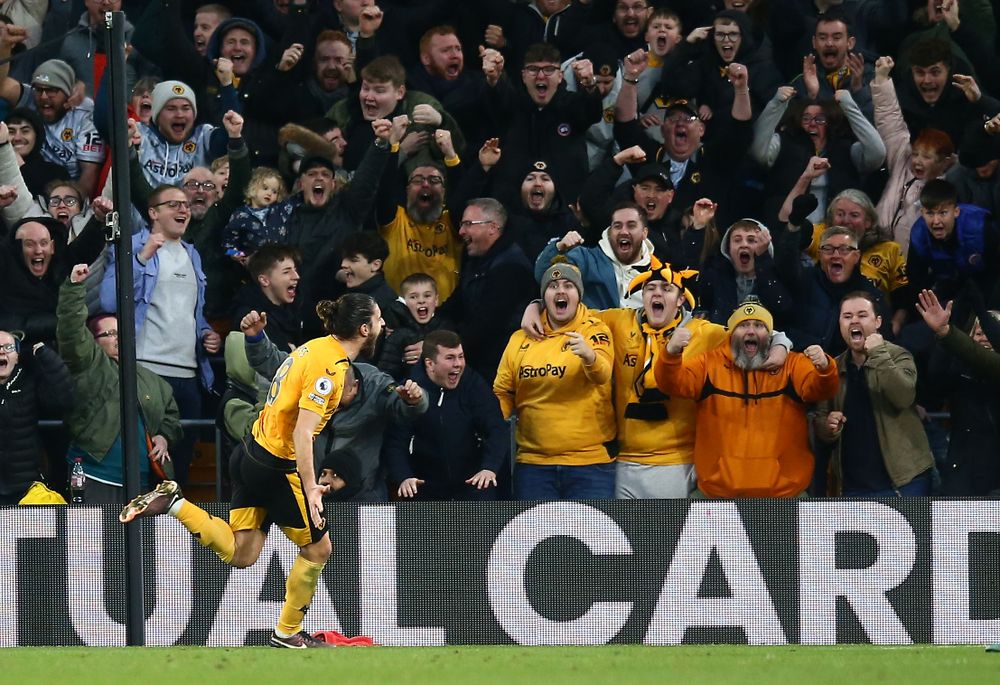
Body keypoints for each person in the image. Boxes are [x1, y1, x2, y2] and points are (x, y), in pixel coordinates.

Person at [120, 293, 385, 649]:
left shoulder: (314, 348)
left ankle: (173, 503)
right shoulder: (331, 368)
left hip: (250, 453)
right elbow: (302, 432)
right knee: (319, 550)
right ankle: (287, 633)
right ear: (364, 328)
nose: (384, 325)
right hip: (277, 465)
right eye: (380, 319)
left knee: (242, 554)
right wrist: (310, 487)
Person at [100, 184, 221, 486]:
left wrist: (206, 333)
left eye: (185, 205)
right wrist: (141, 259)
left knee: (179, 467)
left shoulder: (192, 255)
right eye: (173, 205)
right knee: (149, 466)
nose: (184, 209)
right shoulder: (133, 246)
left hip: (190, 375)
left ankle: (173, 532)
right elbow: (109, 301)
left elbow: (189, 311)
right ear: (153, 213)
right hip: (148, 371)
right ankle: (140, 530)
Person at [241, 308, 429, 503]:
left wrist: (415, 399)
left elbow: (403, 408)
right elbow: (277, 364)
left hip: (365, 496)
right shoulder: (318, 370)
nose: (330, 399)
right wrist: (256, 339)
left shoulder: (376, 384)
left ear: (354, 387)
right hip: (313, 490)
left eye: (338, 392)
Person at [656, 299, 839, 498]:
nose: (751, 331)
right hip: (716, 496)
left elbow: (820, 390)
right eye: (743, 325)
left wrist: (825, 367)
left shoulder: (792, 365)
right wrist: (670, 355)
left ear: (770, 335)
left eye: (759, 326)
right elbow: (673, 384)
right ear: (731, 333)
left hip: (786, 496)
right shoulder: (709, 364)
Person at [57, 264, 181, 504]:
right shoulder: (90, 365)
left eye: (120, 332)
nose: (117, 338)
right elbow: (71, 332)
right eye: (109, 334)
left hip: (144, 483)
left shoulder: (150, 379)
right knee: (92, 542)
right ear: (93, 342)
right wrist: (73, 289)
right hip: (95, 477)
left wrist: (164, 436)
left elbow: (171, 417)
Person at [494, 262, 617, 500]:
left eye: (568, 285)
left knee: (594, 538)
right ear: (543, 297)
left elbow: (603, 374)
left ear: (579, 295)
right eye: (552, 286)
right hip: (533, 466)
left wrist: (589, 356)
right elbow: (503, 392)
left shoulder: (594, 330)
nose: (560, 291)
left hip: (590, 464)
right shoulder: (520, 338)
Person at [814, 292, 934, 496]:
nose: (854, 320)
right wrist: (828, 427)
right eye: (847, 316)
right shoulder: (833, 366)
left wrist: (878, 354)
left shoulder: (899, 355)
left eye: (862, 315)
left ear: (878, 321)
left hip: (904, 481)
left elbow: (903, 396)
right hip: (853, 486)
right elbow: (820, 420)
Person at [384, 330, 508, 501]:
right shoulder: (410, 390)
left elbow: (497, 428)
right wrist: (403, 477)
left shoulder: (473, 384)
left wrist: (489, 467)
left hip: (472, 484)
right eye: (450, 358)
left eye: (461, 356)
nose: (458, 364)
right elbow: (395, 441)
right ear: (430, 363)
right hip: (424, 488)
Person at [438, 197, 535, 382]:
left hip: (497, 372)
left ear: (492, 227)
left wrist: (441, 350)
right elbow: (454, 306)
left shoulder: (512, 267)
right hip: (475, 361)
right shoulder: (477, 260)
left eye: (468, 224)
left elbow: (484, 327)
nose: (461, 231)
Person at [0, 54, 105, 197]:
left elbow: (90, 173)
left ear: (68, 92)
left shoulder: (84, 114)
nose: (43, 96)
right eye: (39, 89)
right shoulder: (30, 98)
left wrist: (73, 208)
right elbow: (2, 84)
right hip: (27, 182)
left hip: (69, 189)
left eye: (52, 90)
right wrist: (5, 45)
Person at [535, 201, 655, 310]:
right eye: (617, 226)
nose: (623, 231)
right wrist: (558, 248)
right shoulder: (586, 259)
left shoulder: (659, 273)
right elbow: (544, 274)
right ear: (610, 231)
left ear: (644, 233)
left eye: (631, 225)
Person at [0, 329, 73, 505]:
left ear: (17, 356)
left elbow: (63, 400)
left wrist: (46, 356)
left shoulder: (28, 380)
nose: (1, 351)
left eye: (8, 347)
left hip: (24, 488)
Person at [231, 244, 304, 353]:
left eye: (295, 270)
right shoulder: (250, 317)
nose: (296, 276)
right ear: (264, 280)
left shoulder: (296, 310)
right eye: (286, 272)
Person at [222, 167, 292, 262]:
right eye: (265, 188)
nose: (269, 193)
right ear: (252, 187)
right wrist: (239, 255)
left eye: (274, 191)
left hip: (279, 262)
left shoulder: (279, 211)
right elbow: (227, 245)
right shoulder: (240, 215)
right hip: (254, 266)